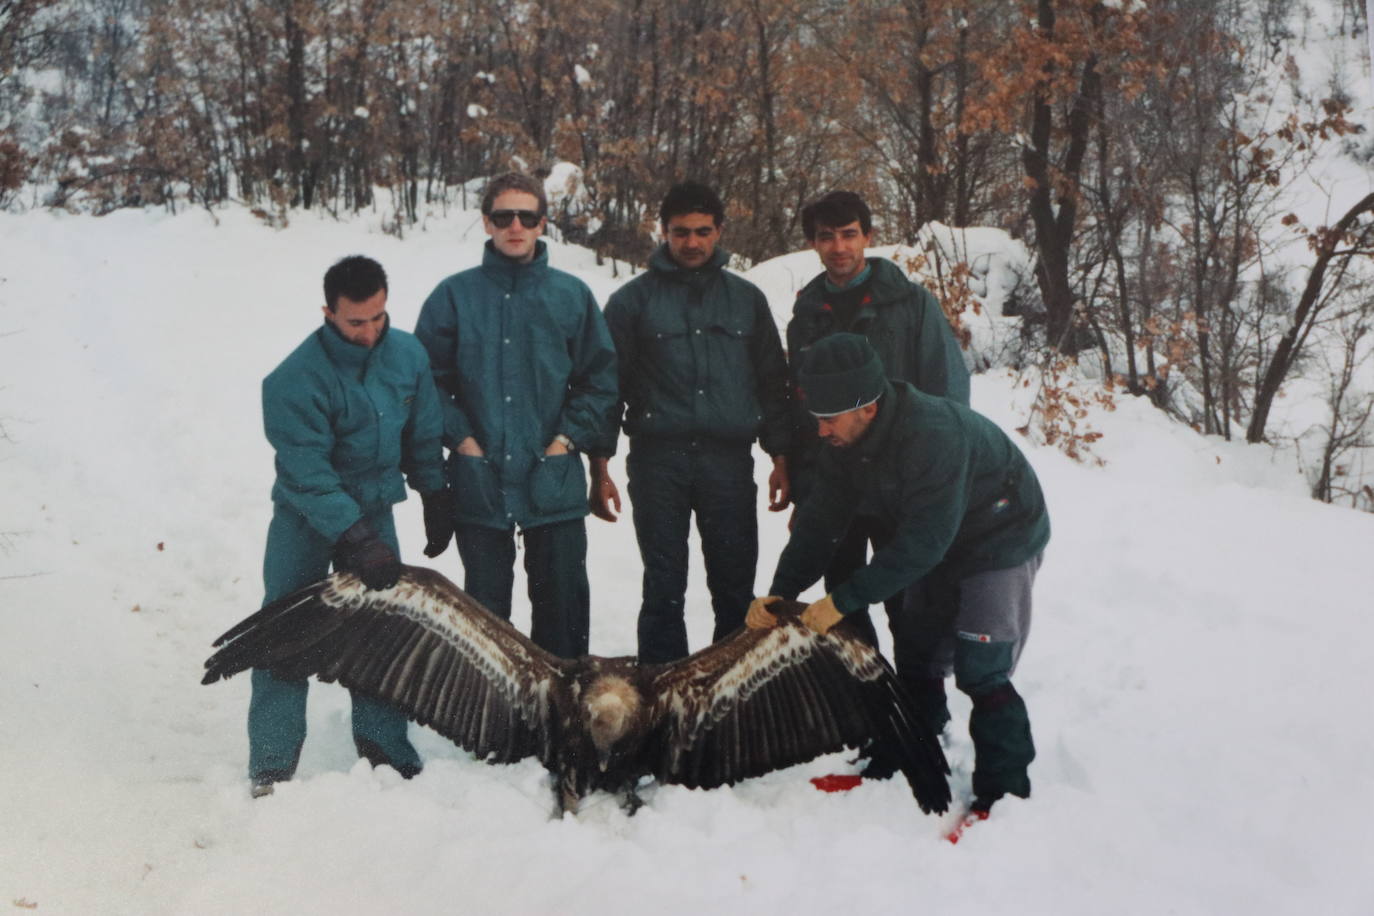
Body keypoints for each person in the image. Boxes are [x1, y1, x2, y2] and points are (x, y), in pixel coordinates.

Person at [748, 334, 1049, 814]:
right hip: (933, 536)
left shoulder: (932, 434)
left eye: (829, 419)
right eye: (816, 418)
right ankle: (911, 752)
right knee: (917, 652)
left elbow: (924, 544)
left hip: (998, 534)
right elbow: (821, 520)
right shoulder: (844, 441)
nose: (821, 431)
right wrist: (780, 592)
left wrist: (843, 601)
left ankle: (1005, 791)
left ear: (867, 408)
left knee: (981, 666)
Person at [250, 255, 452, 797]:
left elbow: (424, 429)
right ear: (327, 312)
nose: (369, 333)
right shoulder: (294, 380)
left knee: (381, 629)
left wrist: (434, 492)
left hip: (376, 506)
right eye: (355, 322)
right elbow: (307, 473)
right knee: (285, 632)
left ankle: (386, 750)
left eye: (377, 318)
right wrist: (355, 537)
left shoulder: (406, 353)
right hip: (306, 516)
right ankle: (271, 765)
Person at [414, 172, 617, 659]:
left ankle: (560, 723)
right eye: (503, 216)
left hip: (553, 479)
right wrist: (462, 440)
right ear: (486, 222)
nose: (515, 226)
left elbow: (600, 380)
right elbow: (425, 381)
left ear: (542, 223)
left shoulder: (571, 295)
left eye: (527, 216)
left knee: (563, 615)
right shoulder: (454, 296)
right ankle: (492, 726)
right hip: (479, 480)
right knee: (483, 624)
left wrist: (564, 441)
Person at [589, 181, 792, 663]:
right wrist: (599, 467)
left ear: (720, 231)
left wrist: (782, 457)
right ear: (663, 232)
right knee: (663, 587)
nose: (693, 243)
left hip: (728, 463)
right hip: (660, 462)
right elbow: (605, 387)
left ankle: (732, 698)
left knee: (735, 586)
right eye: (681, 232)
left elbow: (773, 383)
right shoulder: (630, 302)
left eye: (703, 231)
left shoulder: (746, 300)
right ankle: (662, 701)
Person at [785, 190, 971, 657]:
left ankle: (920, 707)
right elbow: (799, 404)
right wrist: (805, 483)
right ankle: (867, 699)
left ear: (868, 236)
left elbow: (948, 392)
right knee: (843, 600)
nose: (839, 247)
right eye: (826, 237)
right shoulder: (806, 315)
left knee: (909, 598)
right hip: (837, 477)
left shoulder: (911, 304)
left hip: (902, 475)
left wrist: (935, 474)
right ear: (813, 244)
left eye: (849, 234)